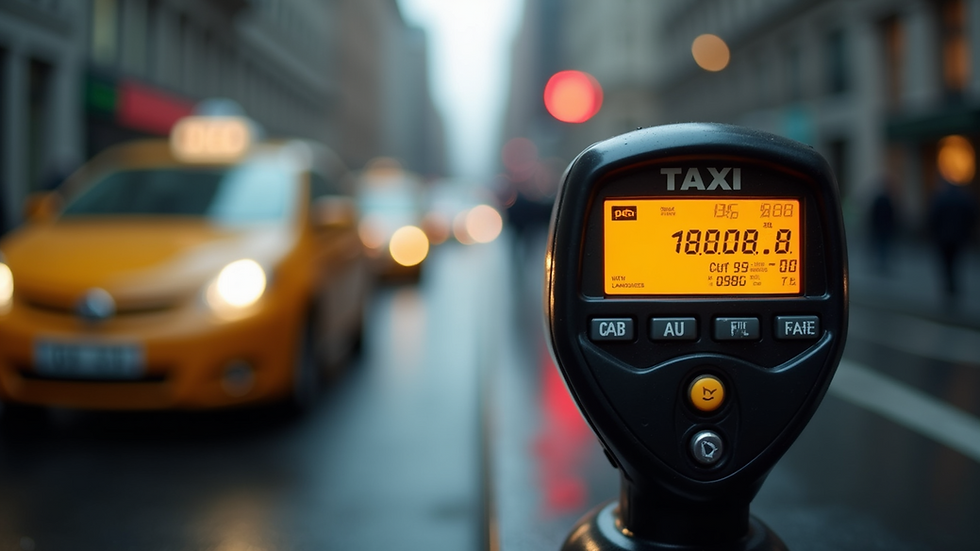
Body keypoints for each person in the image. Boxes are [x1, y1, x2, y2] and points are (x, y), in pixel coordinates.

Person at [928, 178, 978, 297]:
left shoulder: (940, 198)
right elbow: (972, 215)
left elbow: (933, 217)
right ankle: (954, 285)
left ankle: (948, 286)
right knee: (957, 262)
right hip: (959, 237)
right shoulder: (964, 198)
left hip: (943, 237)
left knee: (946, 263)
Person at [868, 179, 898, 274]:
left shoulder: (881, 200)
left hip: (881, 227)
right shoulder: (887, 200)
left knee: (882, 246)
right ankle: (882, 263)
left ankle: (881, 263)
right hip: (883, 227)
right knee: (883, 246)